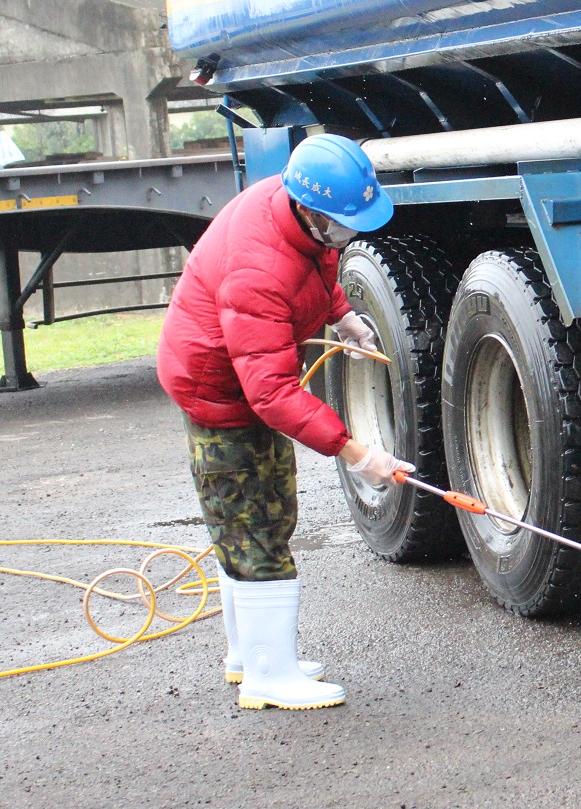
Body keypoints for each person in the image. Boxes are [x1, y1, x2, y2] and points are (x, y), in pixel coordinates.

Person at [156, 134, 415, 711]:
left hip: (236, 387)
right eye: (343, 224)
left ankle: (249, 656)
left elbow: (320, 267)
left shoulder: (294, 214)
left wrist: (342, 315)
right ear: (310, 210)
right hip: (221, 396)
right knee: (258, 524)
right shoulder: (258, 268)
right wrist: (357, 454)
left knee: (247, 525)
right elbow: (271, 393)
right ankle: (269, 678)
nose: (350, 235)